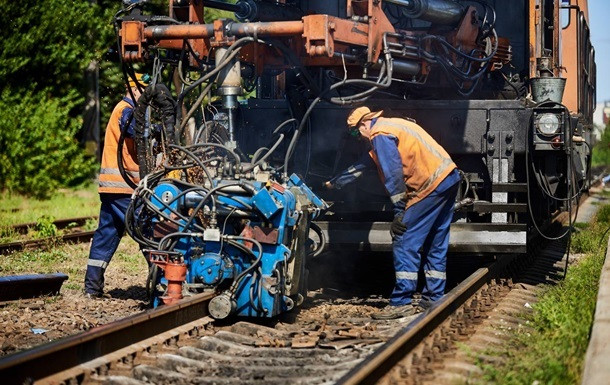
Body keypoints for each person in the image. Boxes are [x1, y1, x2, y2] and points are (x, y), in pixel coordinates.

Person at [325, 107, 460, 319]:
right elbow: (365, 163)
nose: (357, 138)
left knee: (404, 237)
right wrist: (336, 182)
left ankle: (401, 302)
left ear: (363, 124)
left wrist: (399, 212)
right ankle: (434, 297)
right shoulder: (392, 125)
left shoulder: (380, 135)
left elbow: (393, 174)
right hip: (448, 177)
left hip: (429, 185)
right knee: (435, 240)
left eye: (354, 132)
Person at [84, 73, 149, 298]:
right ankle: (163, 282)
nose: (147, 95)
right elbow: (135, 134)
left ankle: (92, 288)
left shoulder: (124, 109)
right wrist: (157, 131)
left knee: (106, 236)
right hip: (124, 187)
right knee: (146, 230)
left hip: (112, 188)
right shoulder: (127, 109)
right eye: (144, 90)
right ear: (135, 89)